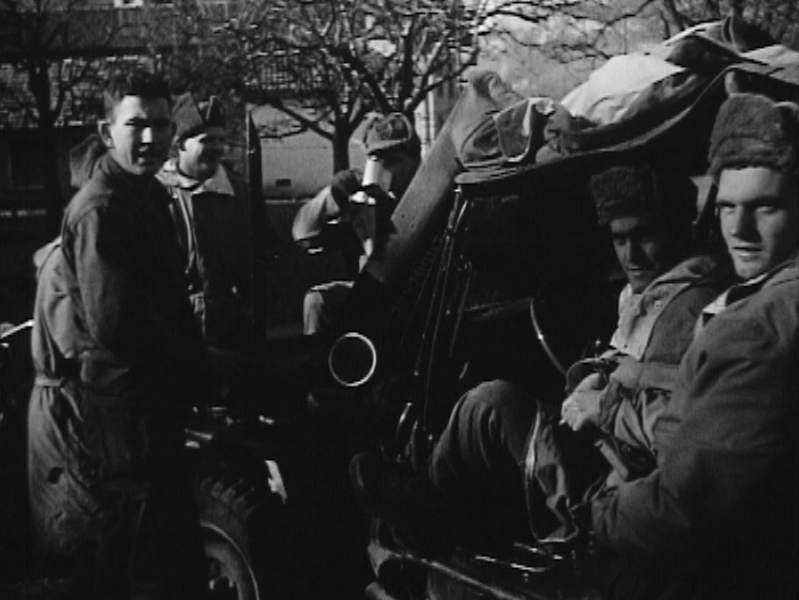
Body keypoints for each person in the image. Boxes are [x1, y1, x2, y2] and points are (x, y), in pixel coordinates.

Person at [350, 160, 731, 551]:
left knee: (489, 406)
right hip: (599, 450)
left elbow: (680, 429)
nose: (631, 254)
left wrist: (605, 404)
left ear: (677, 229)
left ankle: (427, 514)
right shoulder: (651, 294)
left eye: (644, 235)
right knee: (488, 409)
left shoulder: (689, 306)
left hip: (614, 479)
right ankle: (428, 508)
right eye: (619, 239)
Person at [590, 93, 799, 600]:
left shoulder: (754, 325)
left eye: (764, 207)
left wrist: (601, 509)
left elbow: (682, 514)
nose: (740, 231)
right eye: (728, 208)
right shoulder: (753, 299)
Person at [59, 69, 210, 600]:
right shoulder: (102, 209)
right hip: (127, 418)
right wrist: (204, 366)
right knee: (149, 567)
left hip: (153, 408)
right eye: (136, 125)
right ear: (107, 132)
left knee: (167, 558)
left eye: (162, 124)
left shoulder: (144, 197)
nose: (151, 138)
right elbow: (119, 326)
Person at [26, 133, 105, 569]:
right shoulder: (62, 262)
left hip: (81, 397)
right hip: (66, 404)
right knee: (77, 523)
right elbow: (77, 344)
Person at [157, 93, 274, 351]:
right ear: (180, 143)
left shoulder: (239, 192)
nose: (217, 147)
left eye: (221, 139)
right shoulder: (157, 192)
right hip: (177, 328)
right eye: (207, 139)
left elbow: (263, 248)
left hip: (232, 326)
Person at [292, 112, 421, 334]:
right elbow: (304, 233)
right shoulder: (364, 206)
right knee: (317, 301)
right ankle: (321, 366)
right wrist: (334, 195)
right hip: (371, 296)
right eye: (377, 161)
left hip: (418, 299)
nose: (386, 169)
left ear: (415, 161)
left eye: (394, 160)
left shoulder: (428, 196)